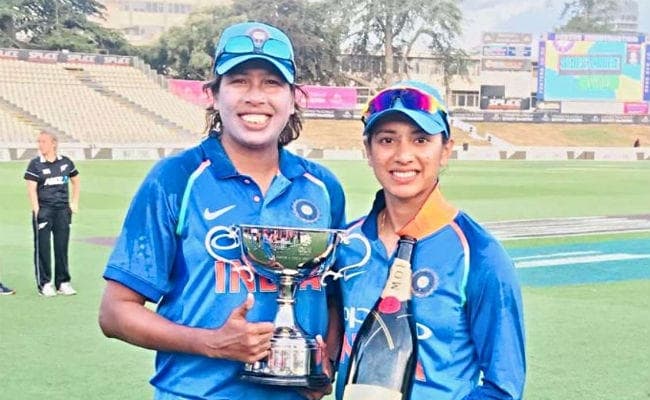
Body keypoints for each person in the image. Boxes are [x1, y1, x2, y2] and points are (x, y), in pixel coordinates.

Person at [98, 21, 345, 400]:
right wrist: (212, 343)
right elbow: (115, 312)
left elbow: (334, 293)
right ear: (213, 94)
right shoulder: (175, 178)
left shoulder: (323, 187)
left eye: (272, 83)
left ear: (293, 98)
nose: (256, 97)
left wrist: (326, 362)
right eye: (239, 81)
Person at [333, 81, 526, 399]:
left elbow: (503, 388)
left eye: (420, 139)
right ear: (368, 150)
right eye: (387, 140)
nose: (403, 155)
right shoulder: (346, 245)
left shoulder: (480, 254)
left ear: (446, 149)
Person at [24, 131, 80, 297]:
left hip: (62, 210)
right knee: (43, 248)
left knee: (61, 247)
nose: (40, 145)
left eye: (43, 142)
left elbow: (76, 180)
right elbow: (31, 189)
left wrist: (74, 202)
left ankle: (62, 282)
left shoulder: (66, 162)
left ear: (53, 143)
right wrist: (36, 210)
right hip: (44, 210)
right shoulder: (35, 164)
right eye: (39, 142)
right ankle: (45, 284)